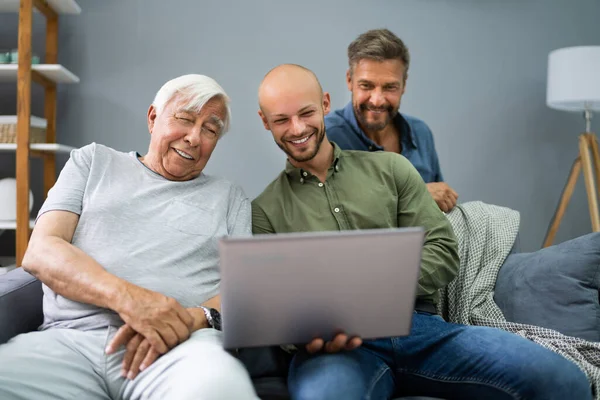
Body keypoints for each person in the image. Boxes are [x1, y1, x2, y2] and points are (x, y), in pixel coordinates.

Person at [252, 63, 592, 400]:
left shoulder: (392, 169)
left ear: (325, 104)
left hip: (421, 330)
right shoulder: (264, 210)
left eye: (306, 113)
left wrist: (376, 290)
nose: (297, 128)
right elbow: (277, 307)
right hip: (335, 351)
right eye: (281, 119)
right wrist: (305, 332)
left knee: (563, 379)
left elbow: (443, 250)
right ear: (265, 122)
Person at [0, 74, 259, 400]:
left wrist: (185, 321)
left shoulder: (230, 197)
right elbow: (42, 251)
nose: (195, 137)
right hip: (70, 341)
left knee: (220, 389)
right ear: (153, 118)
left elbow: (243, 290)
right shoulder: (92, 161)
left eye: (210, 129)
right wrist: (130, 300)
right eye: (185, 119)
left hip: (180, 350)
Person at [326, 28, 458, 213]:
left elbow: (440, 210)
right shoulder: (326, 137)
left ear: (404, 84)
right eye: (366, 85)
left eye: (390, 87)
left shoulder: (421, 133)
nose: (377, 100)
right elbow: (324, 212)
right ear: (349, 80)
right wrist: (416, 194)